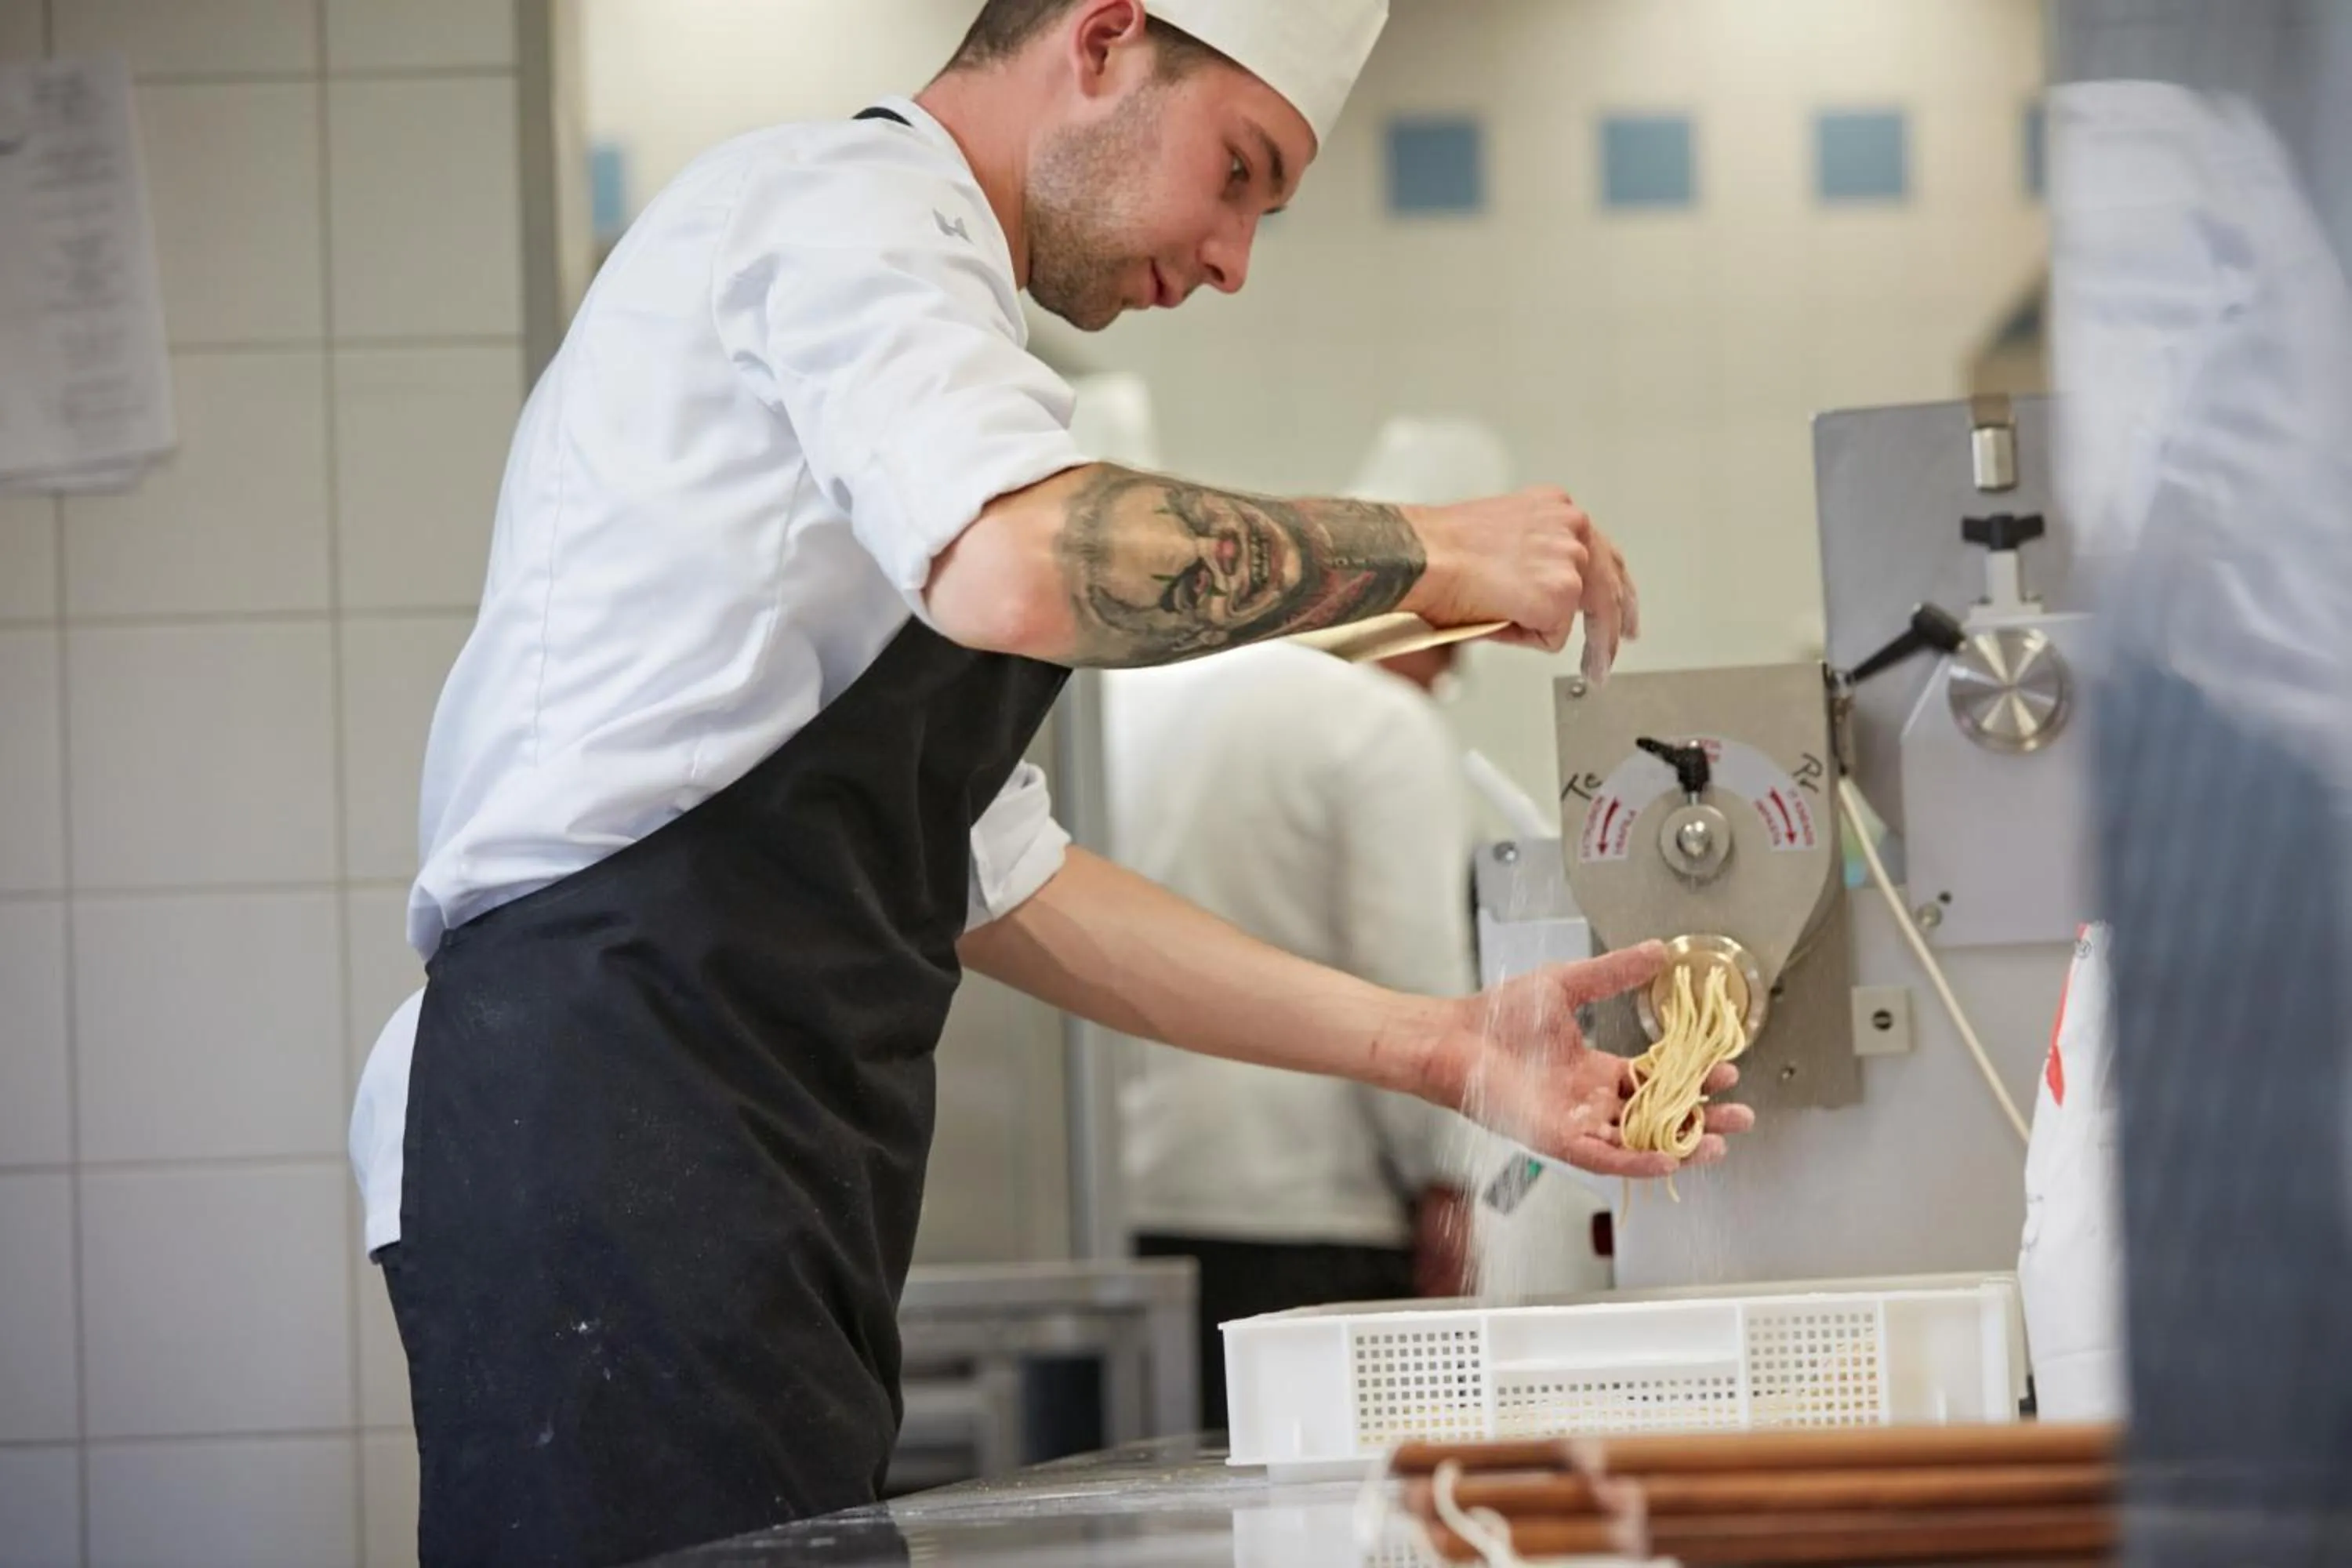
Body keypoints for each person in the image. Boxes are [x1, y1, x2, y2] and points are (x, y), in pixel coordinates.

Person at [346, 3, 1752, 1563]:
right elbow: (1023, 565)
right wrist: (1423, 553)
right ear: (1102, 41)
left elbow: (1011, 887)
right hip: (602, 1112)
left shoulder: (926, 381)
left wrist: (1445, 1046)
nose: (1232, 259)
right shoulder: (840, 209)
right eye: (1238, 171)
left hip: (749, 1157)